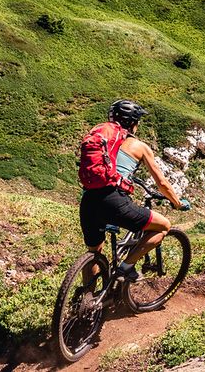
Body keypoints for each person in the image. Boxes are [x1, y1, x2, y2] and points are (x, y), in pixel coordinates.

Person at [76, 99, 188, 281]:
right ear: (133, 123)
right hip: (113, 201)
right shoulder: (139, 147)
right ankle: (126, 268)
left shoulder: (103, 140)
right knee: (163, 226)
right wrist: (176, 203)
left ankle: (84, 299)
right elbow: (162, 183)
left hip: (88, 201)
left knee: (94, 253)